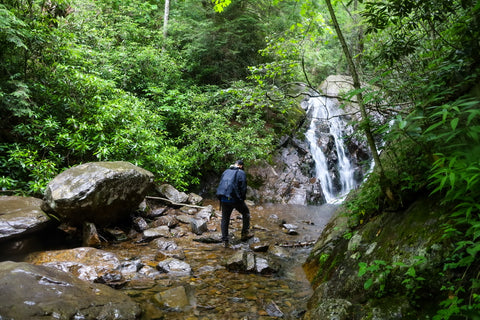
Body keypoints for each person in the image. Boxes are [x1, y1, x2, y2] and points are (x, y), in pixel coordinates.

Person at [216, 160, 252, 247]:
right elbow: (243, 187)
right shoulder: (241, 173)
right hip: (234, 199)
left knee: (225, 219)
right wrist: (242, 199)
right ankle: (244, 234)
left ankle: (225, 241)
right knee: (246, 213)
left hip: (224, 198)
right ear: (240, 166)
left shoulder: (226, 171)